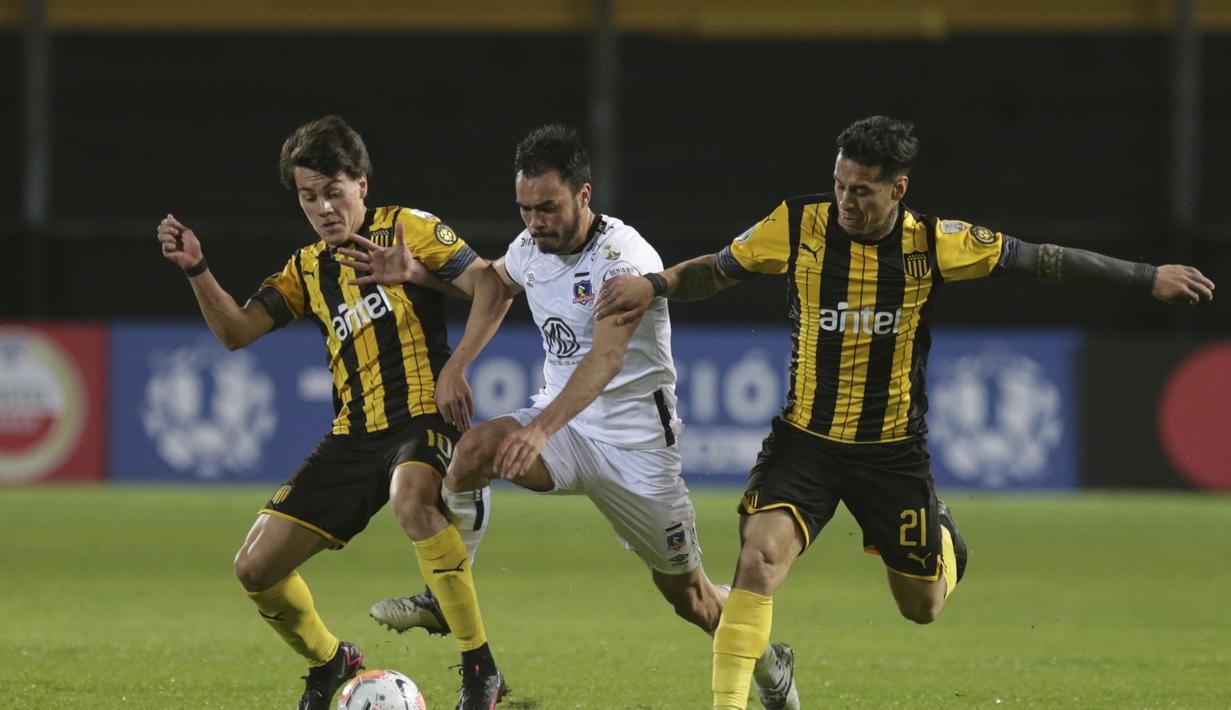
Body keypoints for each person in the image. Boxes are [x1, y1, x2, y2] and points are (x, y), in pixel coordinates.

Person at [591, 115, 1217, 709]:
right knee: (756, 560)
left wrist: (1145, 275)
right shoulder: (797, 224)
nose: (845, 200)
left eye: (861, 191)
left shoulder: (935, 243)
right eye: (839, 184)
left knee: (922, 607)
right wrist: (657, 284)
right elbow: (720, 270)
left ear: (899, 189)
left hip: (891, 454)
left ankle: (941, 536)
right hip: (804, 442)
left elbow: (1040, 259)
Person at [348, 124, 799, 709]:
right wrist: (442, 329)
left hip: (638, 452)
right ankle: (445, 595)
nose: (535, 221)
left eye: (548, 207)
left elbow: (605, 360)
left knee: (691, 598)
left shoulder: (624, 261)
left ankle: (769, 663)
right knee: (471, 455)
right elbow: (494, 281)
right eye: (526, 208)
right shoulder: (532, 246)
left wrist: (538, 429)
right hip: (568, 431)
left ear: (584, 196)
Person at [155, 115, 512, 710]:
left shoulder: (408, 228)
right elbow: (237, 332)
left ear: (362, 184)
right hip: (352, 436)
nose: (323, 207)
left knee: (412, 499)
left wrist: (456, 367)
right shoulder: (306, 269)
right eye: (308, 196)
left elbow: (491, 286)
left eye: (334, 191)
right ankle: (330, 661)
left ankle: (481, 669)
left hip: (425, 414)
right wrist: (197, 268)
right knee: (255, 567)